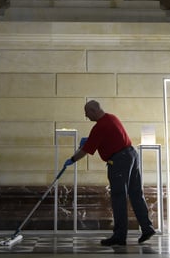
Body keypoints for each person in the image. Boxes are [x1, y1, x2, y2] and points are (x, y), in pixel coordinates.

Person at [65, 100, 156, 246]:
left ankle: (120, 236)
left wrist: (72, 159)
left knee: (119, 197)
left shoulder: (99, 126)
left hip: (119, 161)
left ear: (94, 110)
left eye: (87, 113)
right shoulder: (112, 118)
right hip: (131, 154)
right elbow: (104, 139)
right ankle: (147, 227)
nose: (86, 116)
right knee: (136, 193)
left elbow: (85, 151)